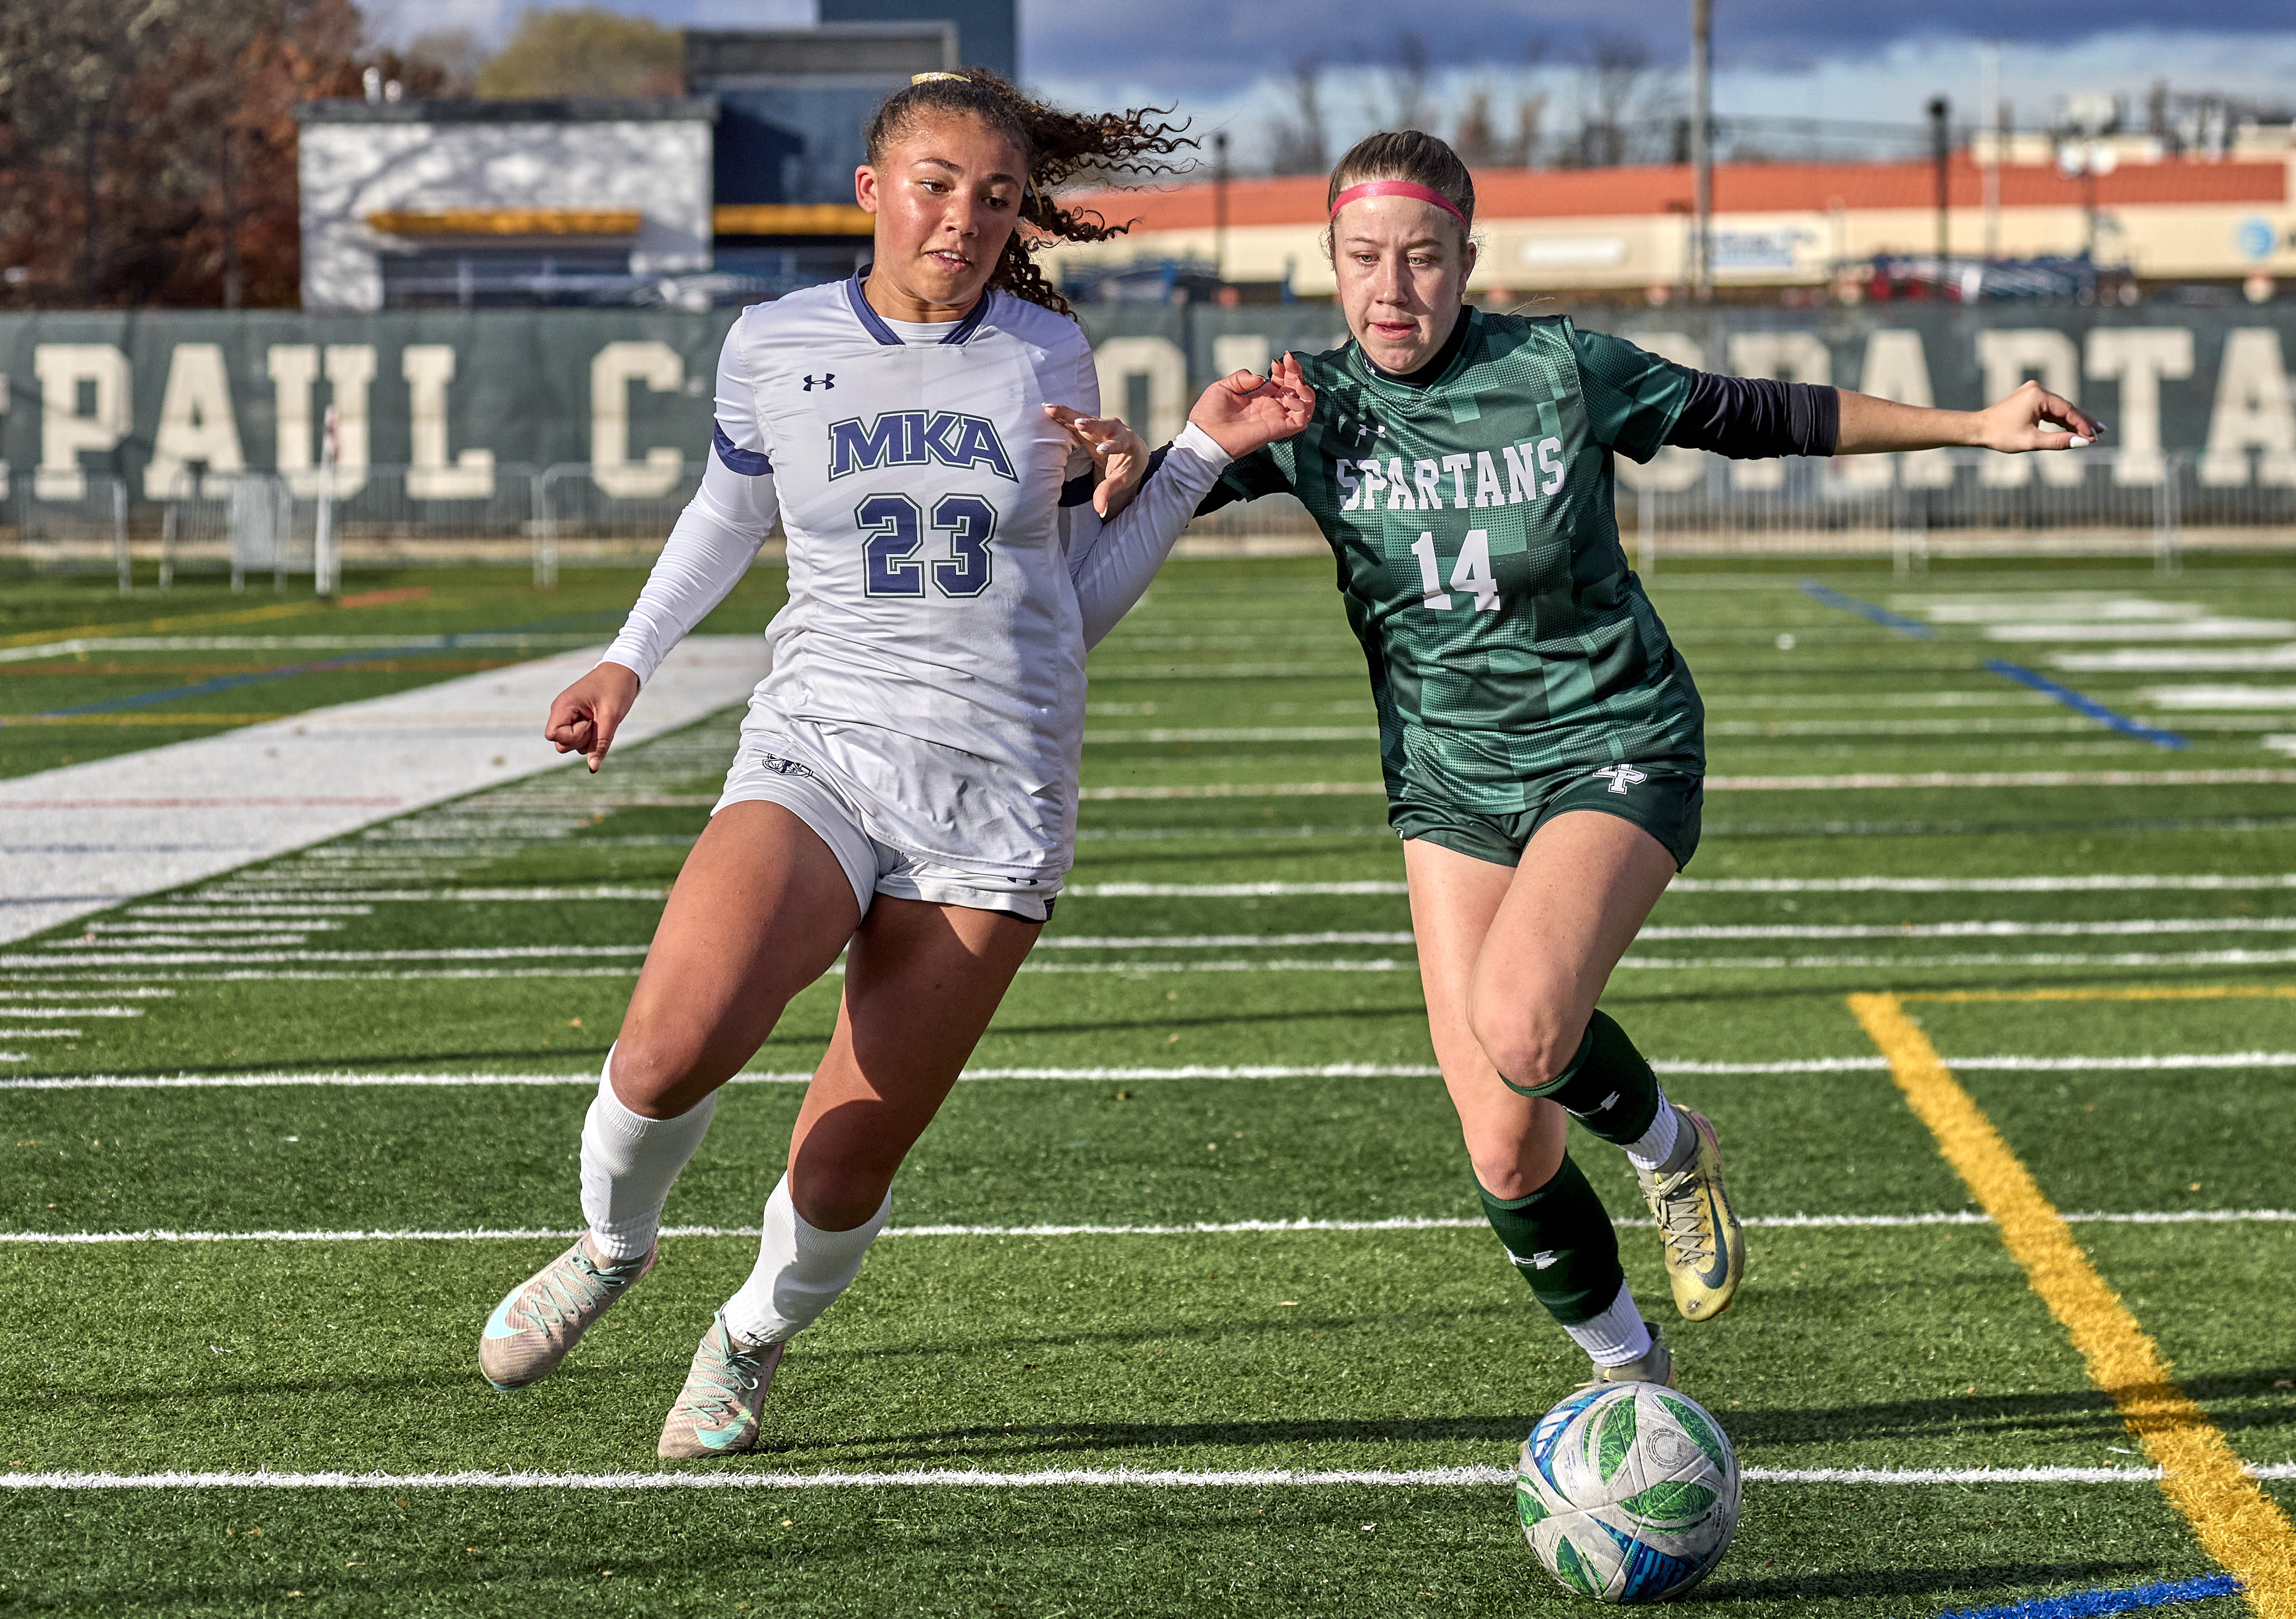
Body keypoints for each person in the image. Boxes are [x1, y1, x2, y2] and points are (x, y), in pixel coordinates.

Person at [474, 70, 1315, 1458]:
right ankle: (612, 1244)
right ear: (872, 191)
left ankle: (745, 1336)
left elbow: (1068, 602)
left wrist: (1187, 463)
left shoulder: (1045, 352)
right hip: (818, 748)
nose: (964, 218)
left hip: (996, 791)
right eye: (936, 184)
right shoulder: (772, 340)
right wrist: (629, 657)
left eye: (994, 196)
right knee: (669, 1046)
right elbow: (721, 514)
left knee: (844, 1152)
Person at [1197, 129, 2105, 1387]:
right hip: (1449, 785)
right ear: (1327, 261)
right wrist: (1128, 458)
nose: (1391, 289)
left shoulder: (1559, 367)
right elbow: (1122, 507)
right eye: (1363, 260)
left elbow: (1757, 416)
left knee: (1521, 1024)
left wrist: (1973, 425)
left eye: (1420, 259)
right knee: (1505, 1153)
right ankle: (1632, 1380)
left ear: (1469, 259)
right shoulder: (1303, 406)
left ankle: (1671, 1150)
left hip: (1611, 738)